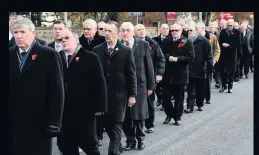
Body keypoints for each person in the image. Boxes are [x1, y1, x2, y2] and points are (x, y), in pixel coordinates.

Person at [9, 18, 65, 155]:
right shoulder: (9, 54)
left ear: (33, 33)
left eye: (22, 31)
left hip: (39, 121)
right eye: (15, 32)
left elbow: (57, 91)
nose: (19, 36)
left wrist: (54, 122)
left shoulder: (49, 55)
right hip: (12, 121)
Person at [58, 28, 107, 155]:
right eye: (61, 39)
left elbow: (99, 83)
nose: (63, 41)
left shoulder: (90, 57)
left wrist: (100, 108)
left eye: (66, 38)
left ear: (76, 39)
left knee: (89, 146)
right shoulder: (57, 58)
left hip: (84, 112)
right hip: (64, 113)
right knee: (66, 146)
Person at [93, 20, 137, 155]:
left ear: (117, 33)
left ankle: (113, 152)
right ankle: (118, 147)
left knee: (117, 124)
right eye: (105, 31)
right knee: (107, 125)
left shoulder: (126, 51)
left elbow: (131, 74)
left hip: (119, 95)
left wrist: (132, 95)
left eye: (110, 31)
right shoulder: (97, 50)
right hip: (103, 95)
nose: (106, 33)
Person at [120, 22, 155, 151]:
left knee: (139, 114)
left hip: (140, 84)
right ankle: (130, 140)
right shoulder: (118, 46)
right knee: (126, 115)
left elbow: (149, 67)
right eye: (123, 30)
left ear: (133, 32)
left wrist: (151, 86)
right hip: (123, 86)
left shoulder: (143, 45)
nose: (125, 33)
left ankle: (140, 138)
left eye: (128, 30)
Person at [161, 23, 195, 125]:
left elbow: (191, 57)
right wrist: (168, 57)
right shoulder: (167, 41)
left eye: (176, 30)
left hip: (181, 73)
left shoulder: (187, 42)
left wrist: (178, 59)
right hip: (168, 73)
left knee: (179, 97)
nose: (174, 32)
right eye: (172, 30)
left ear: (181, 31)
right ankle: (169, 114)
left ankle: (177, 117)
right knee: (165, 96)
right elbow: (162, 54)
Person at [134, 24, 165, 133]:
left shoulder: (152, 44)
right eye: (139, 30)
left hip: (149, 78)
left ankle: (149, 124)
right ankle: (136, 125)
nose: (141, 31)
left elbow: (161, 59)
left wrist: (159, 73)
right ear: (134, 32)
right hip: (135, 79)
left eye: (143, 29)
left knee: (149, 102)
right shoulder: (131, 44)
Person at [184, 21, 213, 113]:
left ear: (196, 30)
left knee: (200, 89)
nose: (189, 32)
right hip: (189, 69)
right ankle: (190, 106)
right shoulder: (185, 41)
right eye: (188, 30)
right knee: (190, 90)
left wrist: (209, 68)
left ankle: (200, 104)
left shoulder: (204, 41)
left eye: (191, 30)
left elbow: (209, 56)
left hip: (200, 68)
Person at [197, 22, 220, 104]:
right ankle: (200, 98)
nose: (196, 30)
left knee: (207, 81)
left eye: (197, 28)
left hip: (208, 63)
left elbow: (217, 50)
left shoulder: (212, 37)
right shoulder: (195, 37)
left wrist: (214, 60)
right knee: (200, 82)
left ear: (202, 28)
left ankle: (207, 97)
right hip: (198, 63)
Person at [218, 19, 241, 93]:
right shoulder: (222, 32)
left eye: (231, 26)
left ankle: (229, 87)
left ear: (233, 25)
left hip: (232, 54)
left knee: (231, 71)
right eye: (228, 25)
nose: (229, 27)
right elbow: (220, 42)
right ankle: (224, 85)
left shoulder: (237, 32)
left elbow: (238, 43)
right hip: (224, 54)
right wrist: (222, 44)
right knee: (223, 71)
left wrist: (230, 45)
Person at [152, 23, 169, 109]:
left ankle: (164, 102)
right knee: (157, 85)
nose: (165, 30)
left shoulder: (171, 40)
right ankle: (159, 98)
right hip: (157, 65)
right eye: (164, 28)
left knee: (165, 86)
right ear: (160, 30)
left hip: (168, 66)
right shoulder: (154, 40)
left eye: (167, 28)